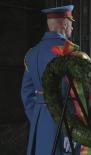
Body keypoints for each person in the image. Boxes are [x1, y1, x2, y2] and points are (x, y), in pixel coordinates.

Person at [21, 5, 80, 155]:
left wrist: (37, 118)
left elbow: (26, 93)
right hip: (64, 122)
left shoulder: (32, 53)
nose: (72, 28)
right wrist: (73, 130)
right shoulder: (69, 51)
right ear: (65, 24)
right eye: (71, 24)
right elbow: (75, 94)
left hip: (40, 121)